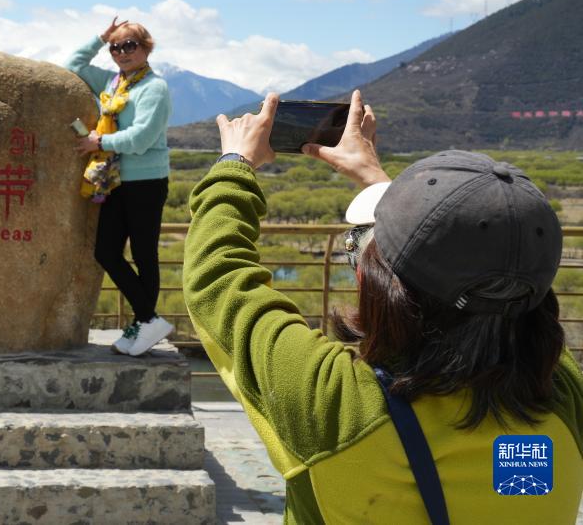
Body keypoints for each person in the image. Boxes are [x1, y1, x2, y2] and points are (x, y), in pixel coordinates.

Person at [183, 90, 583, 523]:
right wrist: (379, 181)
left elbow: (218, 277)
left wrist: (235, 164)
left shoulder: (335, 403)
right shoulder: (563, 393)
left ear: (386, 290)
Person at [66, 17, 174, 356]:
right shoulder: (113, 83)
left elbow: (142, 138)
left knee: (144, 255)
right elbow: (73, 66)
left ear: (146, 48)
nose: (122, 52)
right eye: (116, 47)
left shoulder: (154, 88)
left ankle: (143, 325)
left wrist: (99, 141)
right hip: (114, 180)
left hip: (147, 182)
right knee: (106, 251)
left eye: (130, 45)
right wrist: (100, 37)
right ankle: (149, 320)